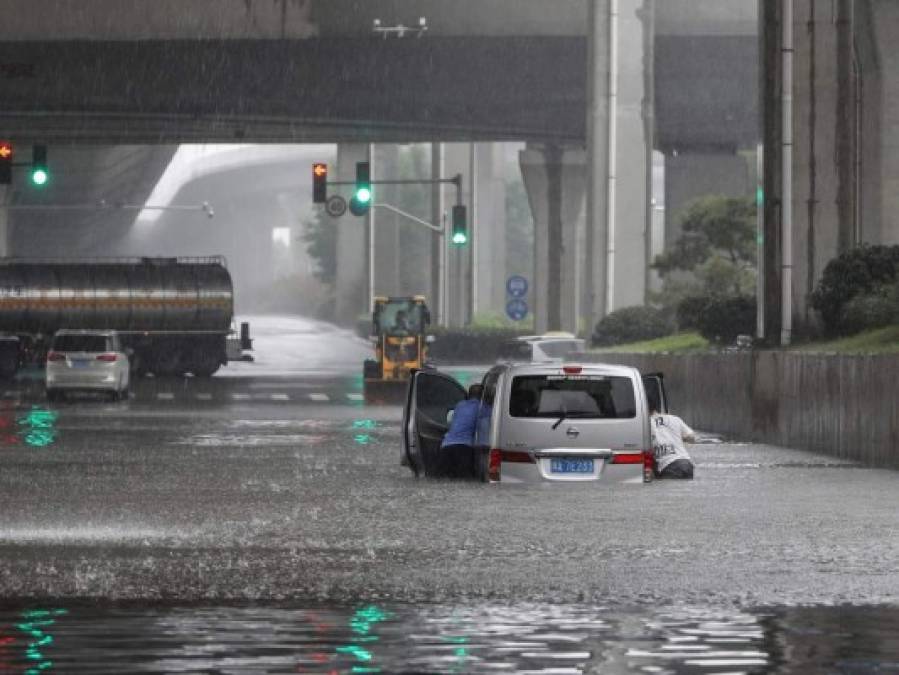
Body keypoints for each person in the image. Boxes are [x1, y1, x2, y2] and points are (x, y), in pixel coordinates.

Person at [438, 384, 484, 478]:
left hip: (446, 446)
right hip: (464, 447)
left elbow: (452, 420)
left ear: (468, 395)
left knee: (444, 480)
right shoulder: (482, 408)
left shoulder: (459, 405)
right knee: (464, 480)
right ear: (482, 396)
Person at [650, 405, 696, 479]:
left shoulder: (645, 424)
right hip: (686, 463)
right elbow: (692, 437)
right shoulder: (674, 418)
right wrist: (677, 439)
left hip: (668, 467)